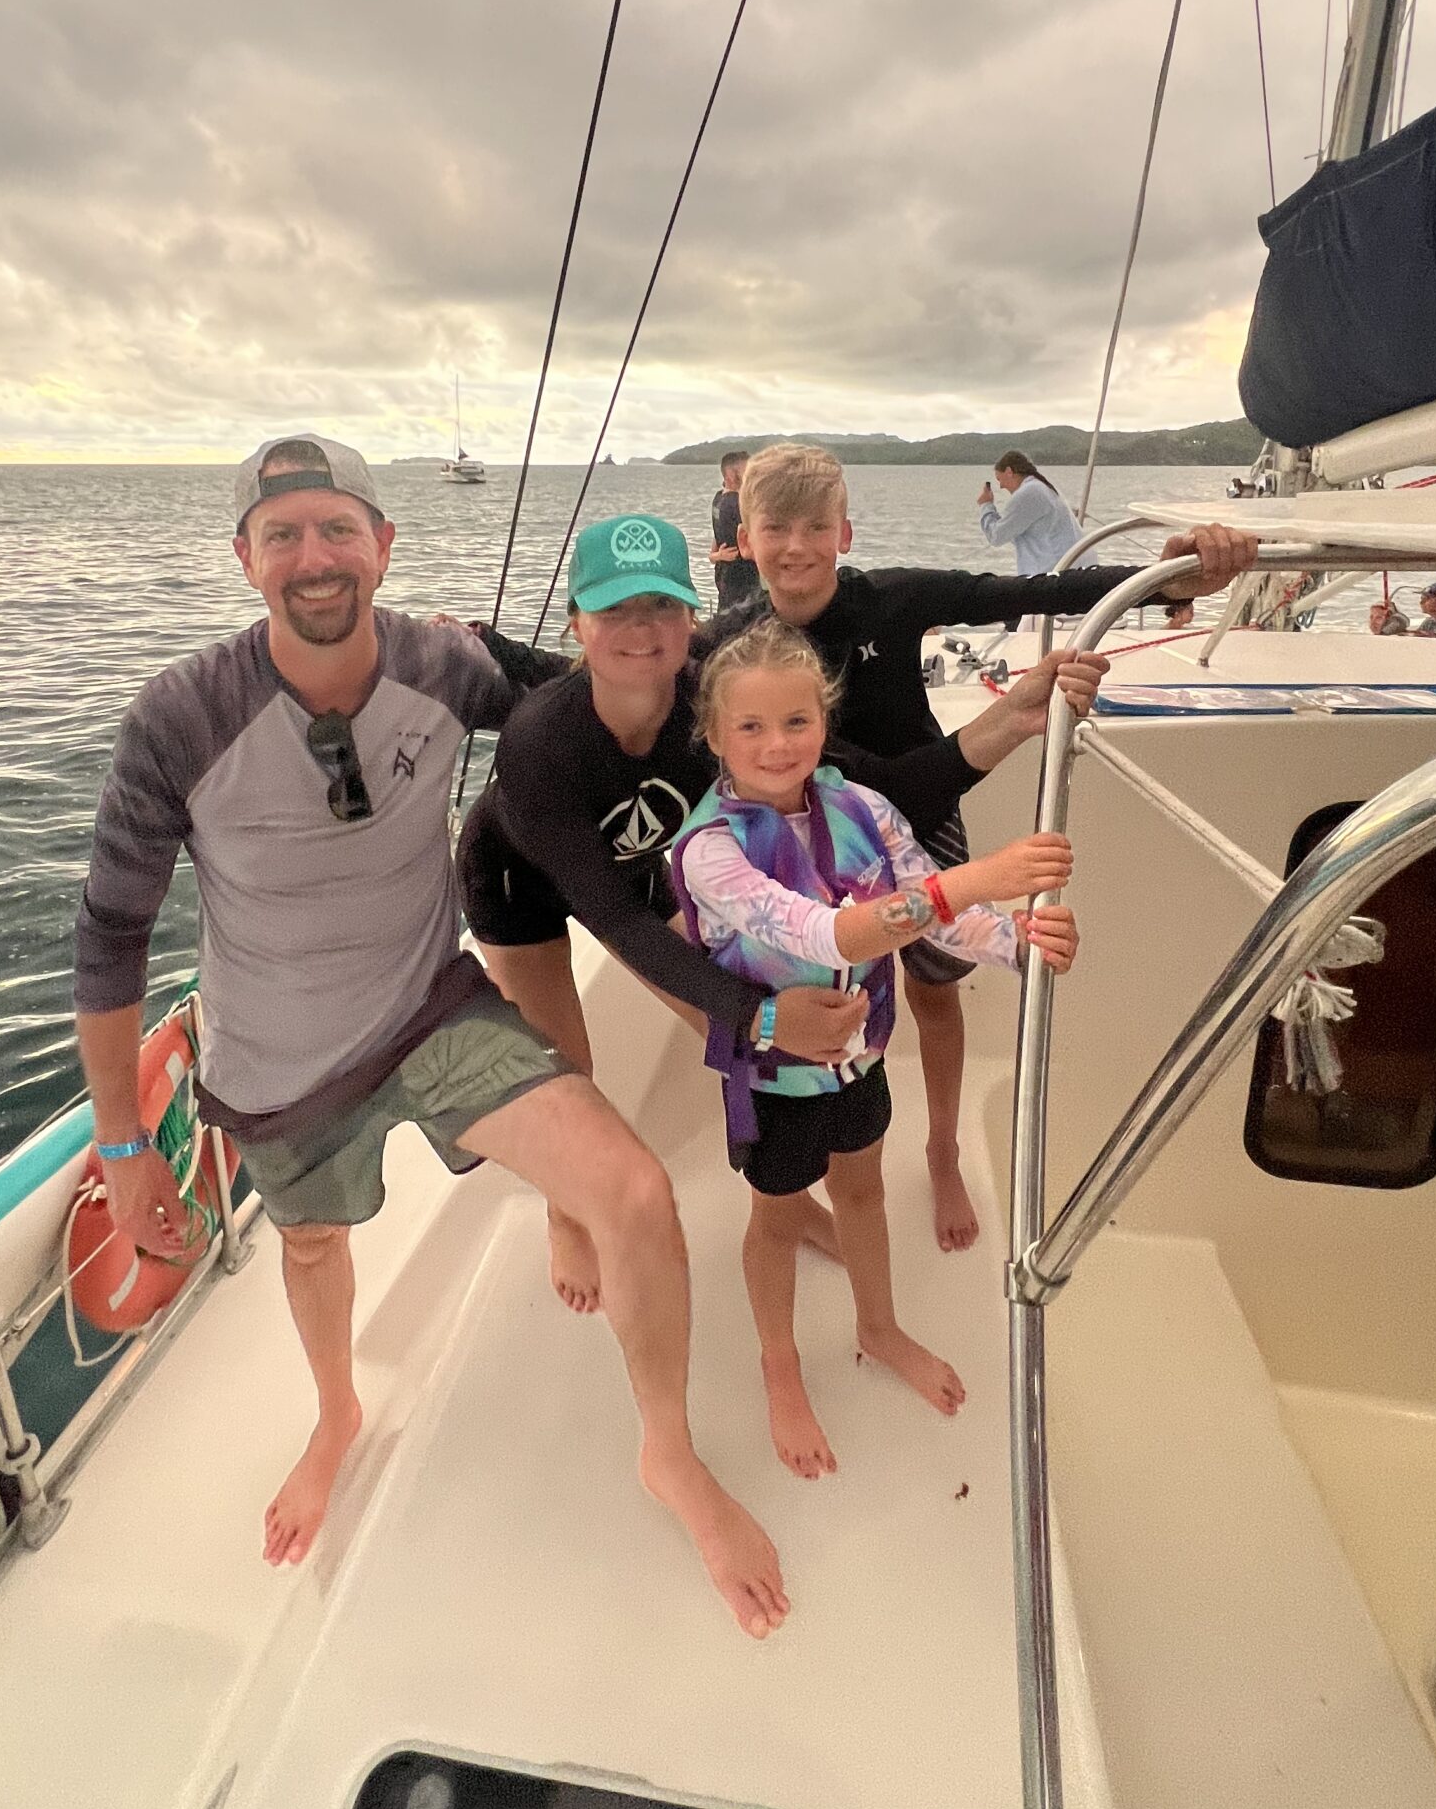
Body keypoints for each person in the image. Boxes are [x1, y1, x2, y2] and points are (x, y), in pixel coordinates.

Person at [72, 435, 789, 1638]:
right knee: (312, 1251)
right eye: (284, 533)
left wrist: (745, 681)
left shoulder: (443, 664)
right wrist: (122, 1144)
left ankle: (666, 1450)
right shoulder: (179, 717)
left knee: (632, 1192)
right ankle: (337, 1412)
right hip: (275, 1063)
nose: (314, 556)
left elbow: (587, 696)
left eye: (338, 528)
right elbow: (110, 936)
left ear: (384, 545)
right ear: (245, 557)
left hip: (432, 1012)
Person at [456, 510, 1108, 1310]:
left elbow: (873, 784)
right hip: (519, 882)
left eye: (660, 606)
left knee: (732, 1038)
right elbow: (618, 924)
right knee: (573, 1066)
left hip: (635, 866)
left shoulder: (710, 697)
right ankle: (565, 1214)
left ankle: (786, 1200)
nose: (641, 630)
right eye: (614, 610)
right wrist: (762, 1015)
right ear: (576, 624)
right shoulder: (541, 742)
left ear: (691, 616)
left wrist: (1009, 721)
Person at [703, 443, 1257, 1253]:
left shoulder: (890, 599)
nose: (796, 547)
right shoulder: (732, 647)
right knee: (816, 1008)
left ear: (845, 534)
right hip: (808, 849)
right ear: (743, 538)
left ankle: (943, 1149)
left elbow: (1030, 591)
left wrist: (1171, 581)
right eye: (775, 528)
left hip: (921, 821)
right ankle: (805, 1176)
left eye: (815, 527)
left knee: (933, 996)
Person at [672, 621, 1078, 1479]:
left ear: (824, 721)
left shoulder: (863, 807)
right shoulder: (712, 850)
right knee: (777, 1218)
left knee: (862, 1190)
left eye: (797, 721)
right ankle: (779, 1363)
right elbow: (822, 934)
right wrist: (970, 880)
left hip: (861, 1058)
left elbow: (937, 913)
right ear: (713, 735)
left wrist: (1018, 942)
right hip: (775, 1076)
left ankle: (879, 1326)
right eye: (751, 727)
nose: (777, 744)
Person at [976, 451, 1093, 577]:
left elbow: (996, 536)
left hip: (1057, 573)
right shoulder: (1040, 487)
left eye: (999, 479)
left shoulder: (1028, 493)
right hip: (1073, 567)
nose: (1001, 486)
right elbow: (1011, 531)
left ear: (1009, 471)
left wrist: (986, 505)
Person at [709, 451, 762, 609]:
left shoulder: (718, 499)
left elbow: (716, 536)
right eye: (749, 472)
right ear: (731, 476)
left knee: (726, 614)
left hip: (723, 573)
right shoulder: (737, 503)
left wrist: (716, 556)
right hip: (743, 577)